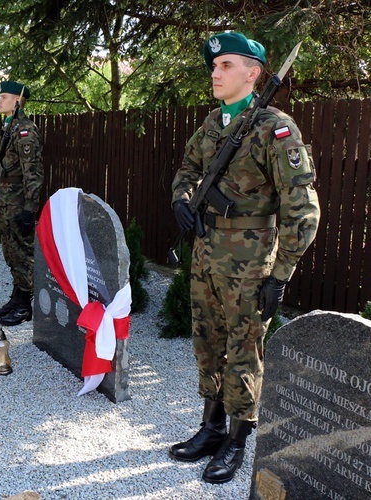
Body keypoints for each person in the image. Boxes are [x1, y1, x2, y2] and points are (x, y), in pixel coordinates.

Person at [169, 32, 320, 484]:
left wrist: (281, 274)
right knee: (207, 343)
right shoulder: (212, 124)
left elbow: (302, 207)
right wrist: (182, 198)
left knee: (243, 350)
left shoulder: (276, 127)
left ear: (253, 73)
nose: (215, 73)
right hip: (205, 252)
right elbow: (187, 171)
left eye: (226, 65)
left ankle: (237, 438)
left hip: (251, 259)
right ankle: (211, 426)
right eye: (213, 66)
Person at [0, 81, 44, 326]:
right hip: (5, 199)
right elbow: (3, 158)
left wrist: (30, 209)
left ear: (17, 101)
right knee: (11, 252)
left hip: (18, 201)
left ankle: (25, 306)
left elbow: (33, 172)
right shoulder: (10, 127)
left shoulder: (25, 130)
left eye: (4, 97)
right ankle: (17, 296)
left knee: (23, 252)